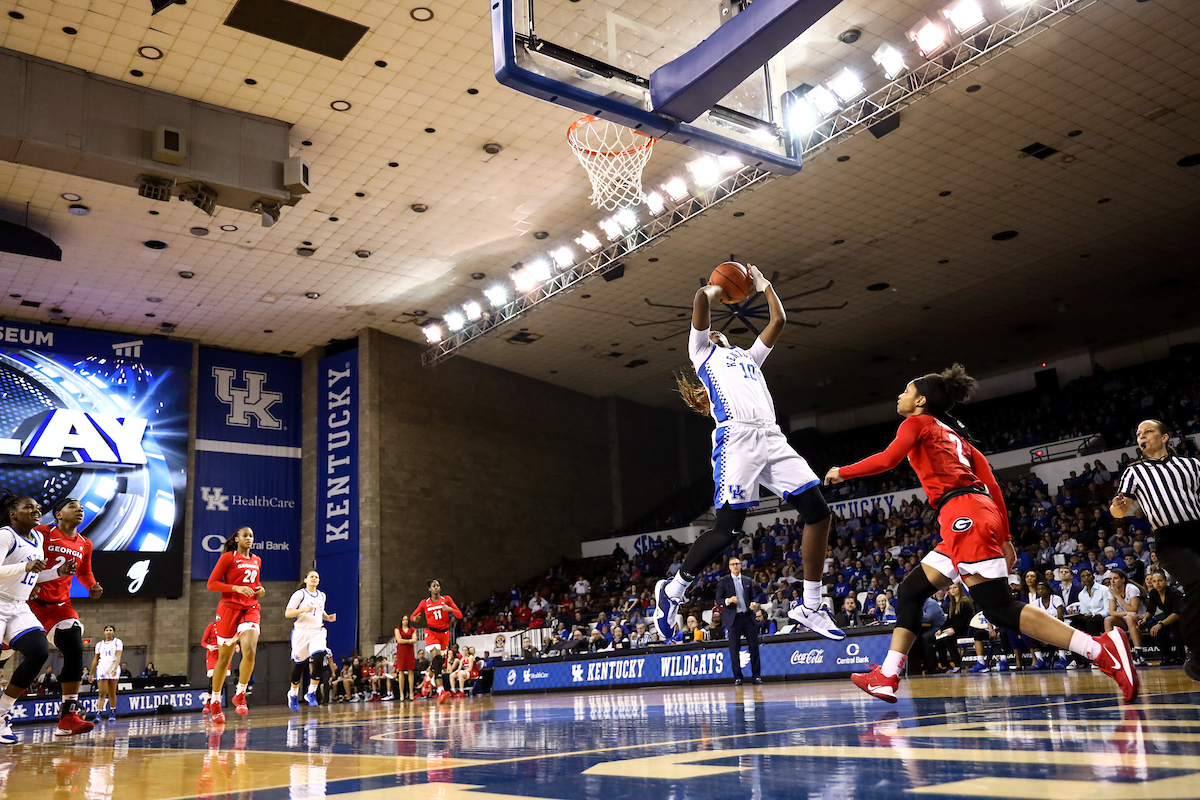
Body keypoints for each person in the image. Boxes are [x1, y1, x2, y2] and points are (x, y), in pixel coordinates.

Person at [826, 365, 1138, 703]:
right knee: (912, 590)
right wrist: (1004, 536)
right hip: (972, 513)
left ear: (920, 401)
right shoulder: (958, 437)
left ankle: (1100, 649)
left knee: (1000, 609)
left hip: (963, 516)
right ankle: (888, 674)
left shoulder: (915, 423)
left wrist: (842, 472)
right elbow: (992, 485)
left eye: (905, 390)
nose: (899, 396)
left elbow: (888, 459)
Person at [658, 265, 842, 645]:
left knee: (819, 514)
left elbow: (779, 319)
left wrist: (765, 286)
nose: (714, 329)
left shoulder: (748, 357)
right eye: (710, 328)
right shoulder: (702, 353)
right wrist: (720, 290)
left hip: (772, 438)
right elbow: (699, 299)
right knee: (728, 530)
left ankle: (809, 604)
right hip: (737, 438)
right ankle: (673, 590)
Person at [1110, 419, 1200, 680]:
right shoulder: (1134, 472)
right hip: (1169, 539)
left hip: (1197, 529)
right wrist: (1118, 505)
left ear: (1164, 437)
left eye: (1147, 431)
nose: (1141, 436)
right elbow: (1118, 510)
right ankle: (1196, 649)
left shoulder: (1191, 465)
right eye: (1138, 434)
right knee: (1197, 579)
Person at [29, 498, 101, 736]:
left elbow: (85, 571)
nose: (79, 509)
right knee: (5, 654)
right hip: (26, 602)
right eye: (73, 506)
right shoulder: (41, 532)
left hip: (59, 606)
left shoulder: (85, 543)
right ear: (58, 514)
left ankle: (68, 716)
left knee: (74, 646)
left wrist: (91, 585)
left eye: (81, 507)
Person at [206, 527, 265, 722]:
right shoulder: (228, 558)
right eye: (245, 535)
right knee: (224, 659)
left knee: (249, 650)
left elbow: (254, 584)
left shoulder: (257, 560)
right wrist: (235, 587)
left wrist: (259, 589)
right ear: (237, 539)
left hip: (250, 609)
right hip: (228, 609)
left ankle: (240, 693)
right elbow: (211, 583)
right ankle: (215, 700)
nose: (249, 538)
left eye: (251, 536)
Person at [285, 570, 336, 710]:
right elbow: (288, 613)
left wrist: (327, 617)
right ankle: (293, 694)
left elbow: (320, 612)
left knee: (319, 657)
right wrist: (303, 610)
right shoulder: (300, 594)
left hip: (317, 631)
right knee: (299, 666)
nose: (314, 578)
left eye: (317, 577)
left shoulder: (322, 595)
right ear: (306, 579)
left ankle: (311, 692)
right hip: (301, 633)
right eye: (312, 576)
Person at [411, 579, 462, 703]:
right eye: (433, 586)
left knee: (439, 663)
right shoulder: (425, 603)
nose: (436, 588)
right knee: (437, 660)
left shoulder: (447, 600)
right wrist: (416, 619)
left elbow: (459, 615)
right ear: (430, 589)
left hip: (444, 634)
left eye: (438, 585)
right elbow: (413, 616)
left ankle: (428, 678)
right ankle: (441, 691)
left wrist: (449, 609)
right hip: (431, 633)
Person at [718, 556, 761, 686]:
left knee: (754, 648)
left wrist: (754, 604)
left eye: (737, 563)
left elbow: (753, 597)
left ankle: (756, 676)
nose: (735, 566)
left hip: (748, 617)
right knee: (734, 649)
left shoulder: (747, 580)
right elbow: (718, 599)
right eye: (732, 564)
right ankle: (738, 677)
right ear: (729, 567)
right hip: (733, 619)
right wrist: (728, 600)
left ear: (741, 565)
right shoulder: (723, 581)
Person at [1104, 569, 1147, 666]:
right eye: (1110, 579)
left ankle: (1138, 654)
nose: (1112, 581)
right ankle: (1113, 653)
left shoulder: (1131, 588)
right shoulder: (1111, 591)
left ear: (1123, 579)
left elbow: (1134, 610)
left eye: (1115, 578)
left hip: (1141, 617)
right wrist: (1126, 613)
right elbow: (1112, 612)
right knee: (1108, 620)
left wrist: (1117, 596)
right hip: (1126, 616)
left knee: (1130, 618)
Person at [1142, 570, 1183, 665]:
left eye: (1160, 580)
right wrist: (1144, 619)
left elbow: (1176, 613)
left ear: (1166, 581)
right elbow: (1150, 610)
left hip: (1181, 617)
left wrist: (1160, 624)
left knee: (1174, 625)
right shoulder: (1153, 593)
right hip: (1167, 616)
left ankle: (1180, 657)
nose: (1157, 583)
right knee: (1152, 627)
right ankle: (1167, 656)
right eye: (1154, 581)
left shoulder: (1174, 593)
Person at [89, 625, 122, 723]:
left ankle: (112, 711)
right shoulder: (99, 644)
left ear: (113, 632)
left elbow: (118, 655)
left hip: (112, 666)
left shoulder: (117, 642)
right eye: (107, 630)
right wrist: (91, 673)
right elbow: (95, 659)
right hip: (102, 667)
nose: (108, 632)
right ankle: (98, 713)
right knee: (102, 692)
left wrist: (115, 668)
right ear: (104, 632)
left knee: (112, 692)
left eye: (110, 630)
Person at [394, 615, 418, 701]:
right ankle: (401, 693)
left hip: (409, 651)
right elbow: (399, 640)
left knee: (410, 671)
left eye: (406, 620)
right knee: (401, 672)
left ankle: (411, 692)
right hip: (401, 651)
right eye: (403, 620)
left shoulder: (413, 629)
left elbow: (415, 639)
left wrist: (407, 641)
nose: (405, 621)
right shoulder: (397, 629)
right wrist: (409, 641)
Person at [199, 618, 220, 715]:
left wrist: (236, 645)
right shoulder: (211, 626)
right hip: (212, 653)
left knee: (221, 680)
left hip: (223, 653)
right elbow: (203, 642)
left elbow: (229, 638)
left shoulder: (227, 627)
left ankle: (216, 704)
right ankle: (208, 702)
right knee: (212, 678)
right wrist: (209, 647)